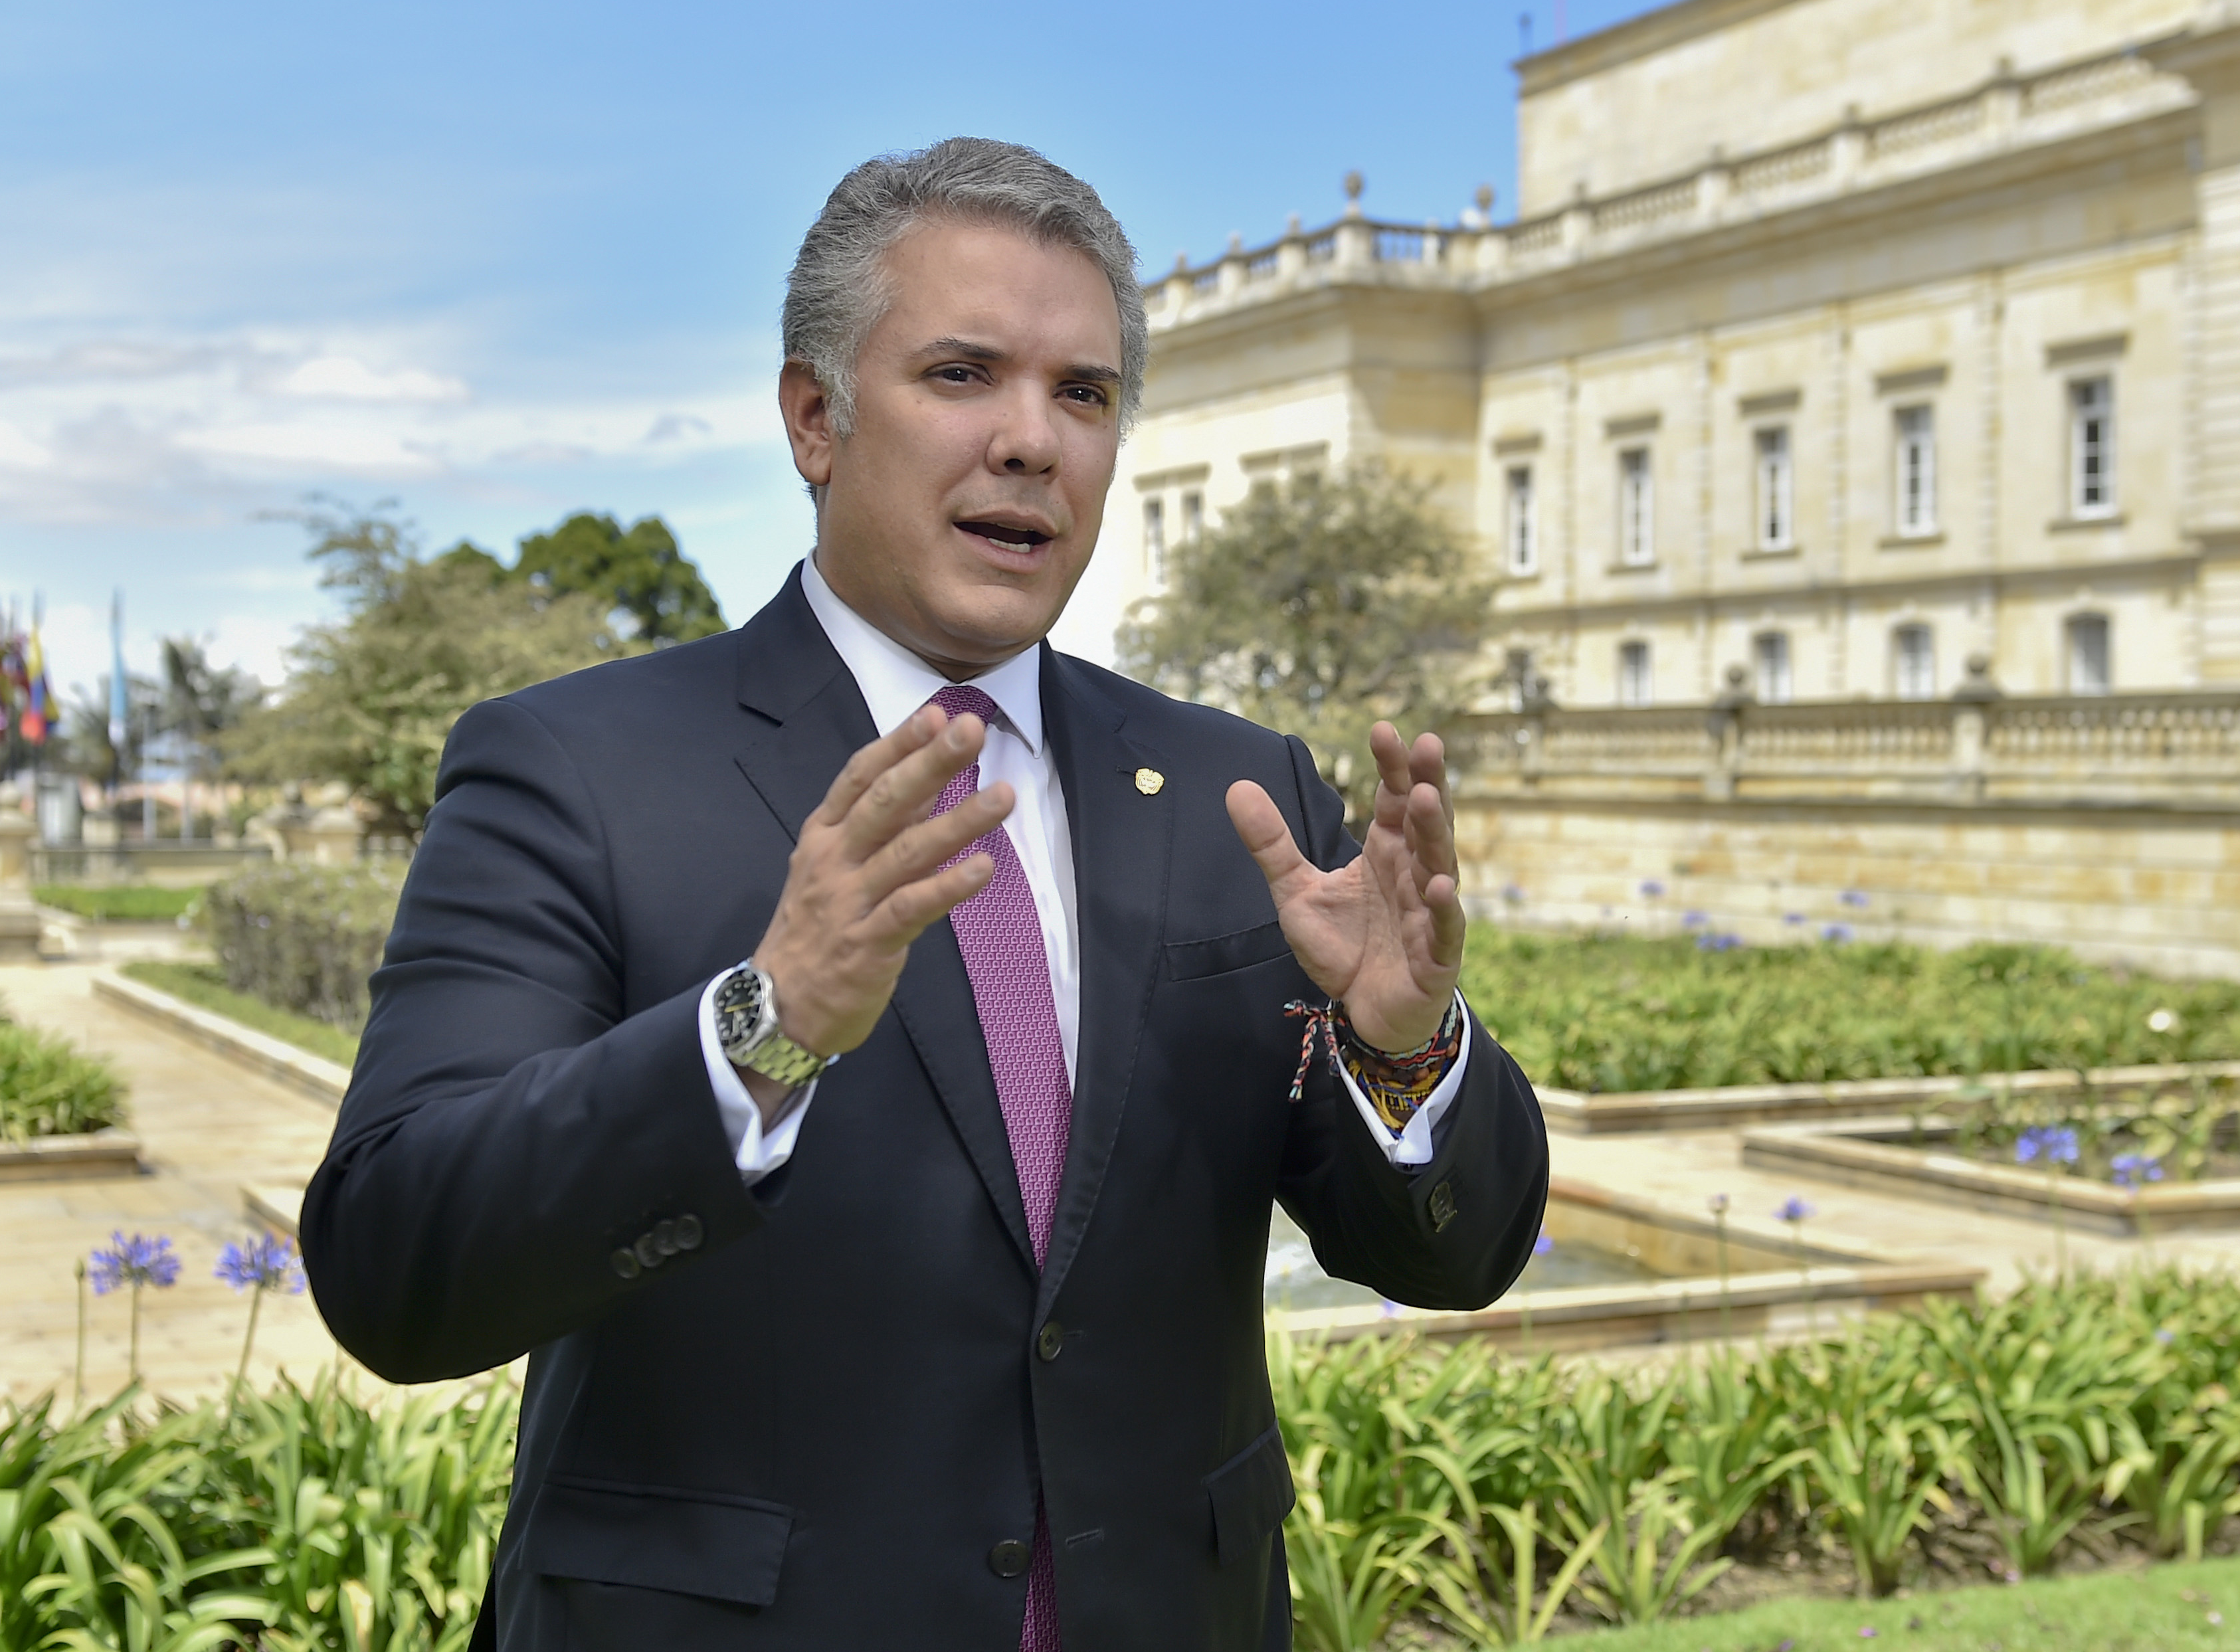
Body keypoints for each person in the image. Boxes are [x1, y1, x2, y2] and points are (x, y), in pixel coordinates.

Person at [301, 137, 1549, 1652]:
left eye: (1082, 393)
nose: (1032, 439)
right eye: (962, 375)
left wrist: (1403, 1050)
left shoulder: (1237, 792)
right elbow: (394, 1266)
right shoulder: (573, 769)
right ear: (814, 417)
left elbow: (1448, 1251)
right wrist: (760, 1032)